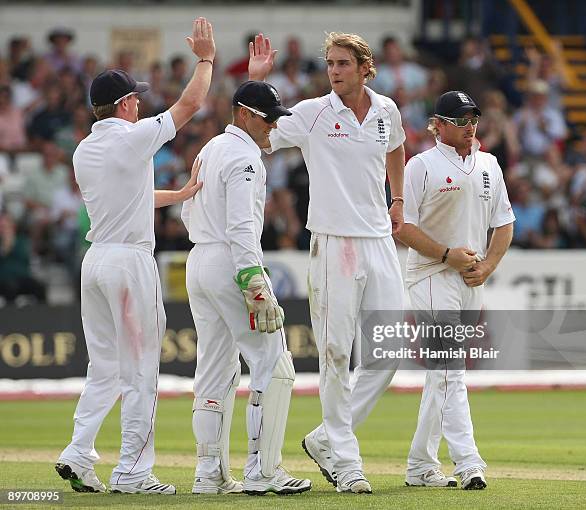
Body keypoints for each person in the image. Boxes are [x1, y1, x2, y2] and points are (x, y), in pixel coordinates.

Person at [55, 17, 215, 495]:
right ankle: (134, 472)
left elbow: (131, 197)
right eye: (136, 98)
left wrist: (180, 193)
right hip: (129, 263)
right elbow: (190, 105)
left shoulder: (84, 151)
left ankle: (78, 453)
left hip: (96, 262)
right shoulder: (132, 137)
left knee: (103, 369)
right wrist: (205, 59)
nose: (141, 103)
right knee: (142, 368)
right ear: (124, 104)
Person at [249, 32, 406, 493]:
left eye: (343, 64)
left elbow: (396, 146)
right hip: (333, 243)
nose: (334, 71)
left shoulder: (386, 110)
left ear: (364, 68)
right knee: (336, 354)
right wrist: (257, 84)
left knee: (390, 351)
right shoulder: (312, 113)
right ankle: (347, 459)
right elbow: (258, 136)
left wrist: (397, 199)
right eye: (330, 64)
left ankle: (325, 440)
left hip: (379, 241)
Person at [181, 81, 311, 496]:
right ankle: (264, 470)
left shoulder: (211, 149)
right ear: (244, 114)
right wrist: (252, 279)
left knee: (215, 367)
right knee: (274, 363)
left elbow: (188, 210)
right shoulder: (245, 158)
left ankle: (209, 473)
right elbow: (241, 227)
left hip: (199, 258)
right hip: (232, 262)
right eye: (268, 117)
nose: (274, 125)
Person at [397, 90, 515, 489]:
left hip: (470, 280)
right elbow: (403, 227)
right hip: (431, 275)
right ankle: (469, 463)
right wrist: (447, 255)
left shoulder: (489, 164)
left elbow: (504, 222)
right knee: (451, 368)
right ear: (440, 125)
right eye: (461, 121)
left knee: (440, 375)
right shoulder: (421, 166)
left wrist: (488, 266)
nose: (470, 128)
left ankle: (419, 465)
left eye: (473, 120)